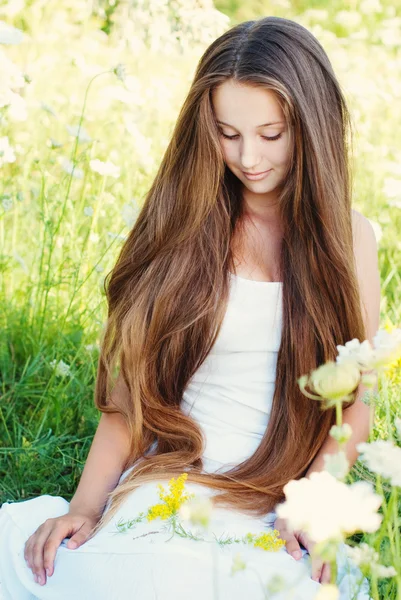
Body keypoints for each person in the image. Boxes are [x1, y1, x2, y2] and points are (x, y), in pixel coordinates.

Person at [0, 15, 380, 600]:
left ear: (313, 125)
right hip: (172, 479)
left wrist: (315, 505)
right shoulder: (183, 226)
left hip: (276, 498)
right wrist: (84, 506)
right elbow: (132, 394)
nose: (248, 157)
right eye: (227, 133)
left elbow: (354, 407)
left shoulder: (351, 239)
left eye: (271, 133)